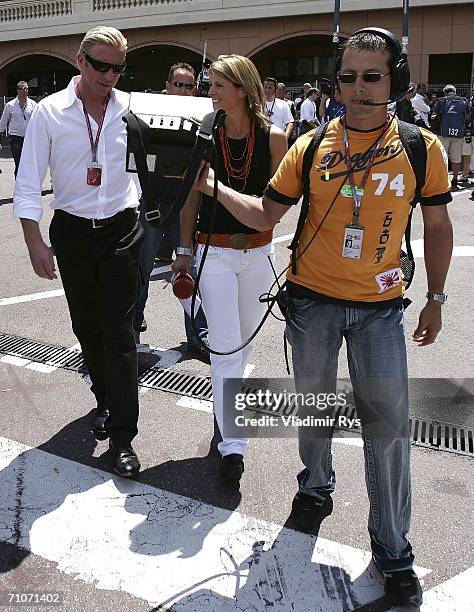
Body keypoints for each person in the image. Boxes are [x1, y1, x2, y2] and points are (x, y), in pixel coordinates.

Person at [192, 29, 453, 606]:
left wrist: (435, 297)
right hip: (311, 305)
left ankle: (393, 550)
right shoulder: (310, 146)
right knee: (313, 410)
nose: (358, 89)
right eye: (347, 77)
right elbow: (265, 213)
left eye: (372, 77)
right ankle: (314, 487)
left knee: (387, 434)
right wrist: (212, 185)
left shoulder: (420, 147)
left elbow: (436, 225)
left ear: (397, 82)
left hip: (382, 312)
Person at [13, 26, 144, 478]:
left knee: (120, 332)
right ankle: (105, 400)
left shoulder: (130, 109)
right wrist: (35, 243)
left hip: (122, 229)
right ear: (80, 60)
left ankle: (125, 436)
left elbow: (152, 167)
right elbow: (28, 183)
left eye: (118, 68)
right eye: (101, 66)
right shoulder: (50, 113)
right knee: (87, 326)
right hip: (71, 231)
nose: (110, 76)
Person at [173, 54, 287, 483]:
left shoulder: (275, 137)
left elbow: (273, 211)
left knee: (245, 345)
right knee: (224, 346)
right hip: (213, 252)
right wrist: (183, 250)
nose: (211, 91)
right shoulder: (204, 134)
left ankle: (228, 409)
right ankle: (233, 446)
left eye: (219, 85)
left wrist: (217, 189)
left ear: (242, 88)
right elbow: (190, 198)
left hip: (259, 252)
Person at [132, 62, 209, 360]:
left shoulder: (202, 118)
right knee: (141, 271)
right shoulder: (148, 112)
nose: (183, 90)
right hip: (151, 205)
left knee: (189, 271)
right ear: (167, 85)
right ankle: (134, 329)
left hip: (185, 206)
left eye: (188, 86)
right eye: (178, 84)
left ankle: (197, 336)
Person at [431, 84, 469, 190]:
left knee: (442, 157)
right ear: (455, 91)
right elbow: (467, 117)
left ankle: (441, 180)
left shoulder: (441, 100)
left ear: (445, 92)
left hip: (444, 133)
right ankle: (455, 180)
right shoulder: (464, 101)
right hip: (459, 133)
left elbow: (434, 115)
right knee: (456, 159)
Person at [0, 81, 37, 177]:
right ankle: (19, 187)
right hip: (16, 137)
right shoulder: (10, 105)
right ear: (18, 90)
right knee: (19, 162)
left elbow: (38, 121)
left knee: (29, 163)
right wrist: (1, 136)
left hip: (29, 137)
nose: (25, 91)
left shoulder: (33, 104)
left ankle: (29, 185)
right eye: (23, 89)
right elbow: (3, 121)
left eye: (27, 89)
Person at [263, 77, 294, 142]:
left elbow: (290, 122)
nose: (267, 90)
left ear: (275, 89)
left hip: (278, 138)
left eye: (270, 88)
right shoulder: (258, 104)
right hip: (262, 139)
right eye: (265, 87)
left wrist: (285, 137)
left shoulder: (283, 104)